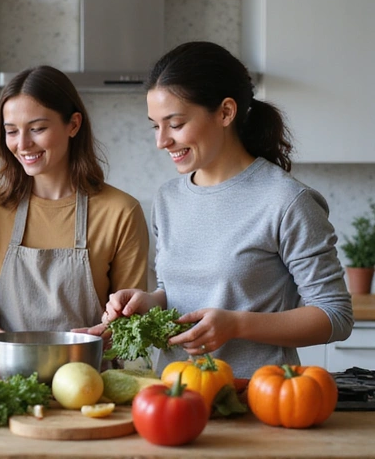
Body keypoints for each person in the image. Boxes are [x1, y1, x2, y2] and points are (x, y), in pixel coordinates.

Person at [101, 41, 354, 378]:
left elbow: (335, 315)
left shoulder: (286, 200)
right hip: (176, 394)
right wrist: (149, 302)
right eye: (155, 125)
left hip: (259, 398)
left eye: (175, 124)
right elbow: (178, 293)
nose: (161, 141)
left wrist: (236, 324)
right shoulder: (168, 199)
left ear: (225, 112)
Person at [0, 65, 150, 338]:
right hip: (6, 374)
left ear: (73, 125)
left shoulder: (121, 211)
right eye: (12, 131)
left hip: (91, 374)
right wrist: (0, 342)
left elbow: (131, 314)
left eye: (37, 128)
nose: (23, 144)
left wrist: (108, 333)